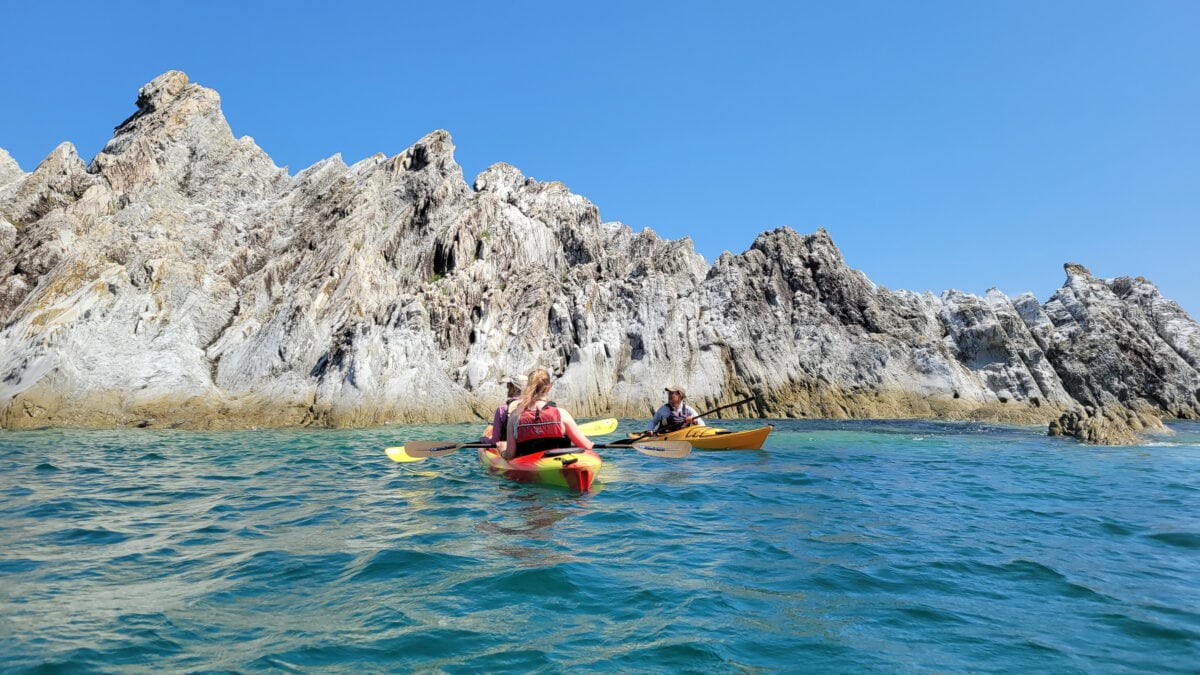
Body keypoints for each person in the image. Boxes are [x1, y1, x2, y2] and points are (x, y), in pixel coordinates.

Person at [503, 368, 594, 460]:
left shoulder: (515, 416)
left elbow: (510, 455)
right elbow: (587, 446)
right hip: (560, 463)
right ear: (548, 387)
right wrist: (587, 444)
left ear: (528, 387)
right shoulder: (562, 414)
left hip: (528, 464)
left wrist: (502, 450)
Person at [487, 373, 527, 455]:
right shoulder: (533, 406)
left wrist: (484, 439)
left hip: (507, 451)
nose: (507, 388)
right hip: (527, 450)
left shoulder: (502, 409)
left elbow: (495, 441)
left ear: (515, 388)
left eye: (509, 385)